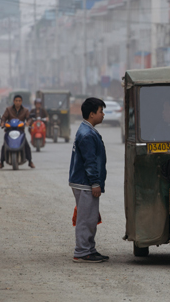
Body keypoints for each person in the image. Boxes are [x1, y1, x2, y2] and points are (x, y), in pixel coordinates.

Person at [69, 97, 108, 263]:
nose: (103, 115)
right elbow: (90, 162)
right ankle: (82, 251)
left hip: (85, 182)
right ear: (92, 114)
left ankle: (89, 249)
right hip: (85, 183)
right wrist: (95, 183)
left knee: (91, 217)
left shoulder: (88, 130)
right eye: (100, 111)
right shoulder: (87, 134)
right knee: (85, 219)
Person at [0, 95, 35, 169]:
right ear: (14, 101)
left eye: (19, 101)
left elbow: (29, 118)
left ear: (21, 102)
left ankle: (30, 161)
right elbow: (3, 118)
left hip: (20, 131)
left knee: (27, 145)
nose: (18, 102)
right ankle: (1, 162)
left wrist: (28, 122)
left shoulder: (25, 110)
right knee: (4, 145)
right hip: (9, 131)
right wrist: (2, 123)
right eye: (16, 101)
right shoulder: (8, 109)